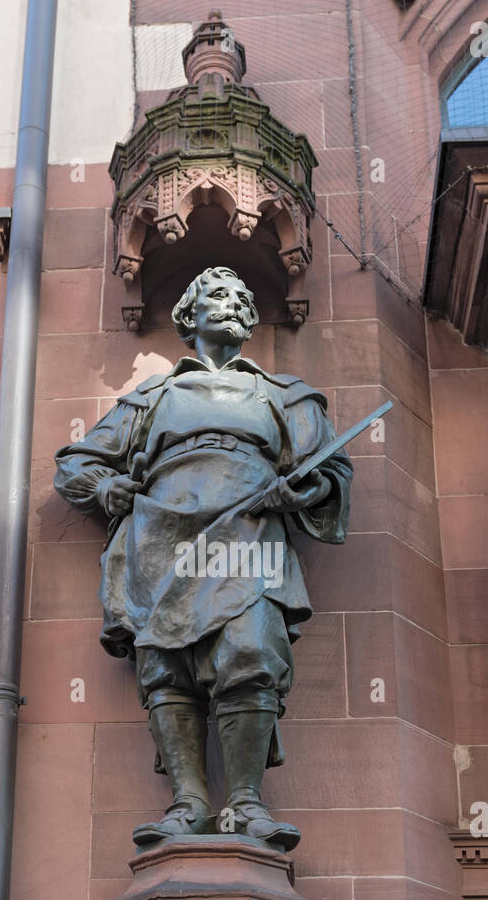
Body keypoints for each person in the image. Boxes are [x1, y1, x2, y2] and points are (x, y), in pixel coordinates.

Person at [54, 267, 352, 848]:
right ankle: (189, 802)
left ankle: (245, 802)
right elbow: (76, 463)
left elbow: (330, 468)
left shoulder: (285, 395)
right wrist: (106, 488)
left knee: (251, 648)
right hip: (163, 533)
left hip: (250, 528)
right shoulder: (153, 397)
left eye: (244, 296)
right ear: (188, 317)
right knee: (167, 664)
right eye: (220, 294)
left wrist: (306, 490)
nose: (236, 302)